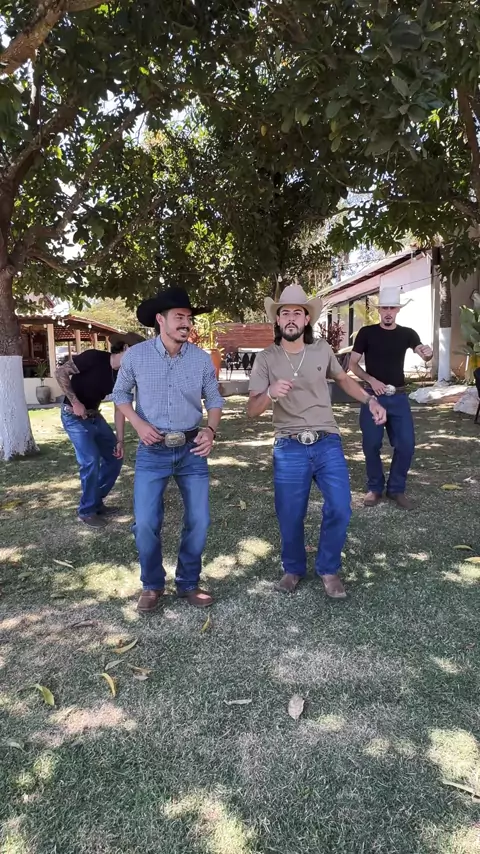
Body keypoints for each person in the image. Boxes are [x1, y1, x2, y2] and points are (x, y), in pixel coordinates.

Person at [247, 284, 386, 599]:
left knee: (340, 506)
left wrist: (370, 401)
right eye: (285, 313)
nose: (291, 318)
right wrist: (269, 393)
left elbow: (344, 379)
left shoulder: (322, 350)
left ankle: (328, 568)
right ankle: (293, 568)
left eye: (297, 312)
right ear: (278, 320)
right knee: (289, 513)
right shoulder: (266, 358)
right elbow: (252, 410)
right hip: (289, 445)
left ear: (306, 318)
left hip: (327, 441)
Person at [112, 286, 224, 613]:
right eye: (179, 317)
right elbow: (120, 394)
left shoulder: (201, 359)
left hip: (192, 449)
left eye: (189, 317)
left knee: (199, 520)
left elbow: (214, 399)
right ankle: (152, 585)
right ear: (160, 320)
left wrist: (210, 430)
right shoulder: (136, 356)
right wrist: (137, 424)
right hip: (152, 450)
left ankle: (188, 583)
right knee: (146, 522)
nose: (186, 323)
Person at [349, 286, 433, 509]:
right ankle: (375, 488)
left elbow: (423, 354)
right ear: (379, 310)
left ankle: (396, 489)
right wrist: (372, 380)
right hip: (372, 397)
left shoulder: (408, 333)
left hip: (399, 396)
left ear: (398, 310)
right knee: (371, 444)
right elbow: (352, 365)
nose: (388, 312)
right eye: (384, 308)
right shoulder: (366, 333)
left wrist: (429, 353)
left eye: (392, 308)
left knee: (406, 444)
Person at [55, 332, 144, 529]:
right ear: (125, 348)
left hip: (94, 416)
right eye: (137, 352)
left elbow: (120, 407)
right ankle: (86, 511)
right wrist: (75, 402)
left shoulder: (124, 375)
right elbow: (60, 372)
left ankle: (95, 501)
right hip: (73, 415)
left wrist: (120, 440)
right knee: (90, 460)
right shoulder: (94, 357)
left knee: (115, 457)